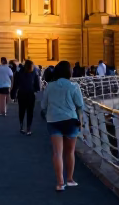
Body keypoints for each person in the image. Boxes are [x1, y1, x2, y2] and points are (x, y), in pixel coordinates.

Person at [40, 60, 84, 191]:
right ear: (69, 72)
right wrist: (81, 122)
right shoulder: (74, 86)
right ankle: (70, 179)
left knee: (57, 152)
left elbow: (43, 105)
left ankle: (60, 183)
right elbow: (80, 106)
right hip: (71, 120)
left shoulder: (50, 86)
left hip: (53, 120)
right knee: (70, 151)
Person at [16, 59, 41, 135]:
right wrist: (36, 90)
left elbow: (16, 83)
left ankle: (21, 126)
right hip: (30, 94)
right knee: (30, 111)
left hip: (21, 93)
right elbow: (37, 84)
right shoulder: (34, 72)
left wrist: (13, 93)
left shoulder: (19, 72)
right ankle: (28, 128)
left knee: (21, 110)